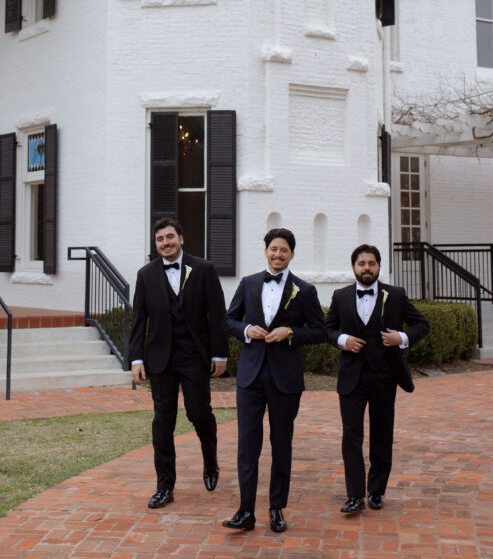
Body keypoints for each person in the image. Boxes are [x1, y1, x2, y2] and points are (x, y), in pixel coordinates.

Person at [222, 227, 327, 534]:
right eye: (273, 249)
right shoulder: (248, 283)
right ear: (266, 251)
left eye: (284, 250)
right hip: (250, 376)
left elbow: (320, 331)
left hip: (285, 378)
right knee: (247, 445)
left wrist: (291, 332)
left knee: (281, 444)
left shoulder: (305, 290)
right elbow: (228, 319)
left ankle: (276, 508)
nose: (278, 254)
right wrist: (245, 330)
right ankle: (245, 511)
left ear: (292, 254)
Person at [129, 217, 228, 510]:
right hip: (160, 360)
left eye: (170, 237)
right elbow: (139, 320)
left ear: (181, 238)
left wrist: (219, 354)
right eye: (160, 239)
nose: (165, 243)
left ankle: (210, 462)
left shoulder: (204, 270)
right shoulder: (145, 275)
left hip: (194, 357)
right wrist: (136, 358)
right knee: (163, 423)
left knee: (199, 414)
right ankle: (165, 486)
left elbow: (217, 315)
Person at [326, 243, 429, 514]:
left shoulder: (395, 295)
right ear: (354, 267)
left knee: (382, 435)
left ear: (379, 266)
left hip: (384, 377)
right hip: (352, 378)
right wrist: (342, 339)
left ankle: (376, 492)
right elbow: (325, 329)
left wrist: (402, 338)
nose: (367, 268)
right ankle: (354, 495)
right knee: (351, 435)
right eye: (362, 264)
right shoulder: (340, 296)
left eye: (371, 263)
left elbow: (421, 324)